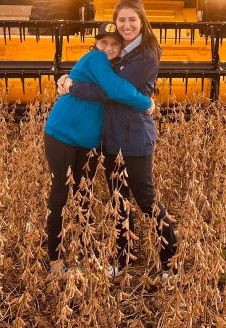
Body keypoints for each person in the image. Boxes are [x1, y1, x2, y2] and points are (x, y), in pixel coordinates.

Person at [58, 0, 177, 279]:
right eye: (121, 20)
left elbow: (111, 91)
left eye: (132, 20)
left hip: (134, 139)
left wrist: (73, 87)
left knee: (146, 201)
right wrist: (67, 78)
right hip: (111, 138)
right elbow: (96, 78)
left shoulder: (146, 55)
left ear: (142, 21)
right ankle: (123, 260)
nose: (126, 25)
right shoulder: (120, 51)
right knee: (118, 201)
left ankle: (171, 262)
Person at [43, 21, 154, 273]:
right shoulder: (96, 58)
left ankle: (88, 255)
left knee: (84, 195)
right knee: (60, 193)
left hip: (89, 141)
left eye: (115, 43)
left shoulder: (118, 67)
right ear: (96, 44)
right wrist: (145, 103)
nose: (108, 48)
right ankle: (55, 260)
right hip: (62, 132)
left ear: (122, 46)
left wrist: (71, 82)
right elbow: (114, 90)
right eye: (103, 42)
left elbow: (107, 90)